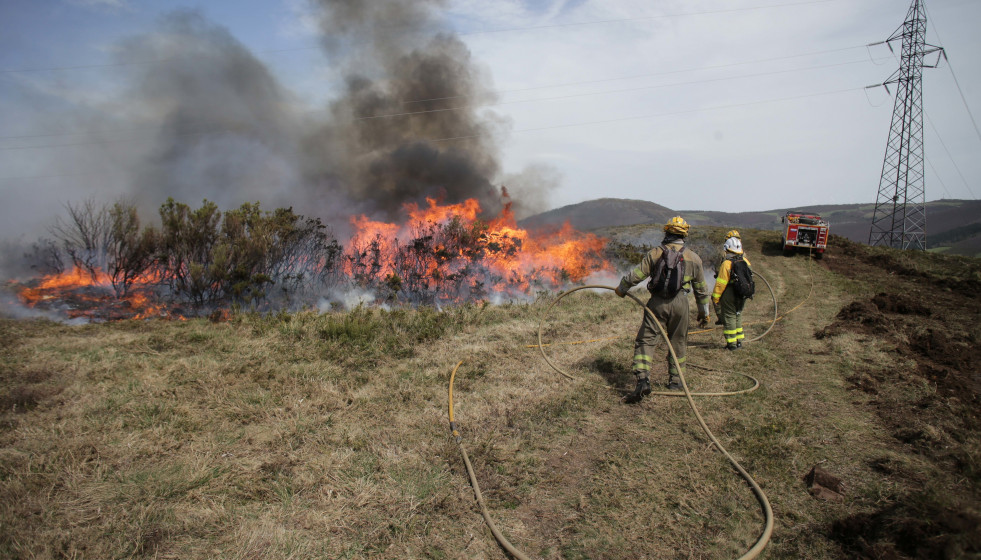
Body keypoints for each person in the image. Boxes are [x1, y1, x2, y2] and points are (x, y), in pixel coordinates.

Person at [615, 216, 710, 402]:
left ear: (667, 232)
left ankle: (643, 379)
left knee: (646, 340)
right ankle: (676, 381)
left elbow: (637, 275)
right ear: (684, 234)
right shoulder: (694, 258)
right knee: (678, 342)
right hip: (681, 303)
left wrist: (621, 289)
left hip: (657, 303)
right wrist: (703, 313)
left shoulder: (656, 253)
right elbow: (701, 290)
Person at [712, 232, 752, 350]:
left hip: (729, 293)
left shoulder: (726, 264)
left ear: (727, 249)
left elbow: (721, 284)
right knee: (738, 315)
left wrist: (716, 298)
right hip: (742, 293)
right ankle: (739, 341)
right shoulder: (746, 261)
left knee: (729, 317)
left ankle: (731, 344)